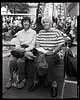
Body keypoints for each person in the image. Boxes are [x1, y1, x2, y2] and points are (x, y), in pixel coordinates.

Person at [28, 17, 70, 97]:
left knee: (49, 60)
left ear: (50, 23)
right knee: (36, 59)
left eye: (47, 22)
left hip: (54, 53)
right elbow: (37, 43)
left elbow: (60, 44)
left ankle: (53, 84)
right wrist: (40, 51)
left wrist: (53, 51)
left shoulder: (57, 32)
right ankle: (36, 81)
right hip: (42, 52)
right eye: (43, 22)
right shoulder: (40, 32)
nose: (45, 23)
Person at [5, 17, 36, 89]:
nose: (26, 23)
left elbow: (32, 45)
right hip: (19, 50)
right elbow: (16, 42)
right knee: (11, 60)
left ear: (30, 23)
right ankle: (11, 78)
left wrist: (25, 50)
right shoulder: (19, 32)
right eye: (24, 22)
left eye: (27, 22)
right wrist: (19, 48)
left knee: (20, 61)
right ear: (22, 23)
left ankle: (22, 79)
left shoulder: (33, 32)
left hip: (28, 50)